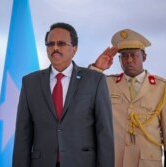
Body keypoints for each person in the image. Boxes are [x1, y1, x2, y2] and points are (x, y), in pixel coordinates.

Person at [12, 22, 114, 167]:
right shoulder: (30, 83)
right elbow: (23, 135)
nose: (55, 48)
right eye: (50, 44)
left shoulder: (94, 80)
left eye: (61, 43)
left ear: (74, 49)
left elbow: (104, 133)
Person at [89, 29, 166, 167]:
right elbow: (84, 92)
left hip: (147, 163)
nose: (129, 60)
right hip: (115, 162)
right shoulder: (106, 84)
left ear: (144, 57)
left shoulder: (163, 88)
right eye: (124, 56)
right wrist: (97, 68)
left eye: (134, 55)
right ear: (119, 60)